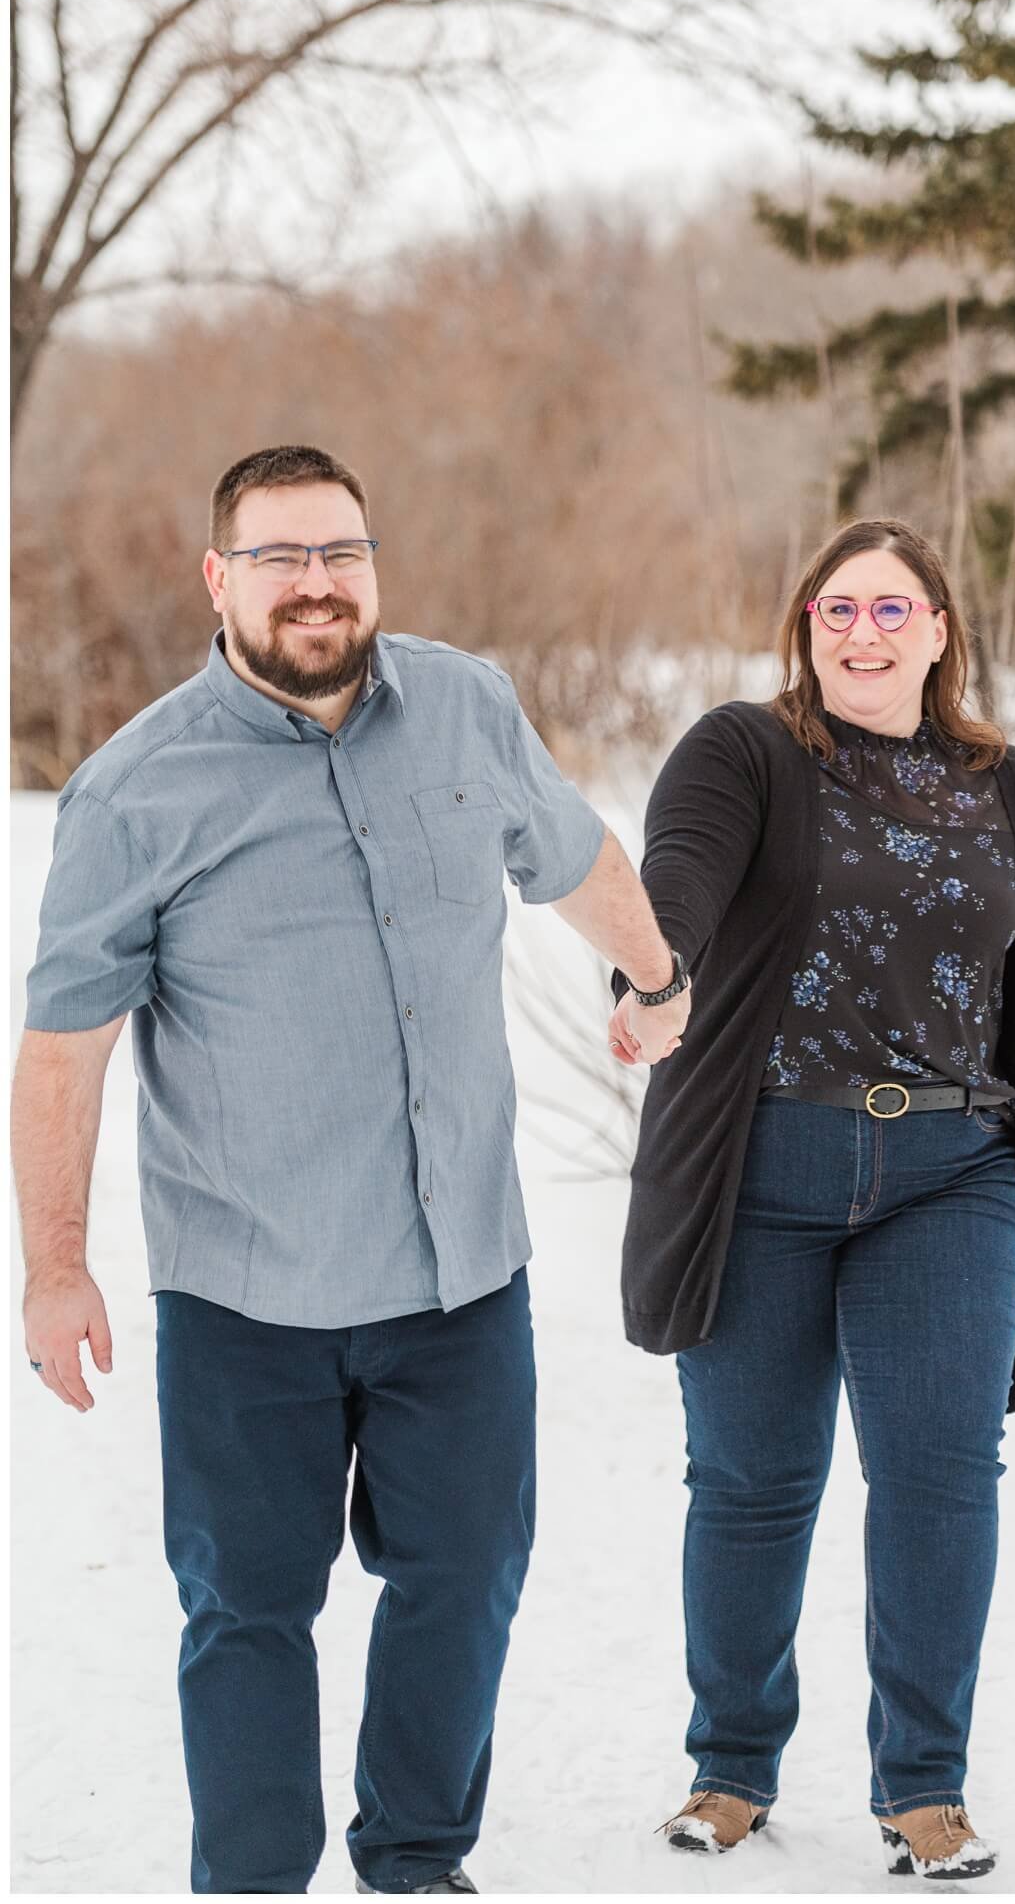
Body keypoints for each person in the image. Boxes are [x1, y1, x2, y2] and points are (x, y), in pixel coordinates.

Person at [14, 444, 690, 1896]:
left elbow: (569, 853)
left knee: (464, 1580)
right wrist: (55, 1265)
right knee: (250, 1610)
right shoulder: (134, 793)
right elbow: (65, 1048)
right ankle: (254, 1879)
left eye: (340, 552)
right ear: (220, 578)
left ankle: (416, 1858)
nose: (315, 582)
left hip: (459, 1282)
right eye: (279, 557)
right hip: (248, 1295)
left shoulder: (464, 705)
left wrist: (651, 971)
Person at [607, 516, 1015, 1883]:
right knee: (750, 1481)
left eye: (893, 609)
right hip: (760, 1169)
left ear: (940, 629)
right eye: (840, 609)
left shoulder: (1009, 788)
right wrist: (651, 972)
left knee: (941, 1478)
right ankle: (730, 1767)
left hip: (951, 1174)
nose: (865, 632)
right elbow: (679, 874)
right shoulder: (745, 752)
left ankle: (924, 1789)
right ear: (805, 623)